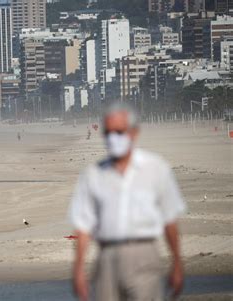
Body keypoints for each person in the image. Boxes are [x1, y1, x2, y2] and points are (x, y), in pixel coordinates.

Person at [69, 103, 186, 301]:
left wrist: (177, 262)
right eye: (108, 133)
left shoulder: (155, 168)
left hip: (144, 254)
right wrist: (78, 269)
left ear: (133, 133)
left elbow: (170, 219)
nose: (113, 138)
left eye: (119, 132)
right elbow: (83, 225)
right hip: (106, 257)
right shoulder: (93, 174)